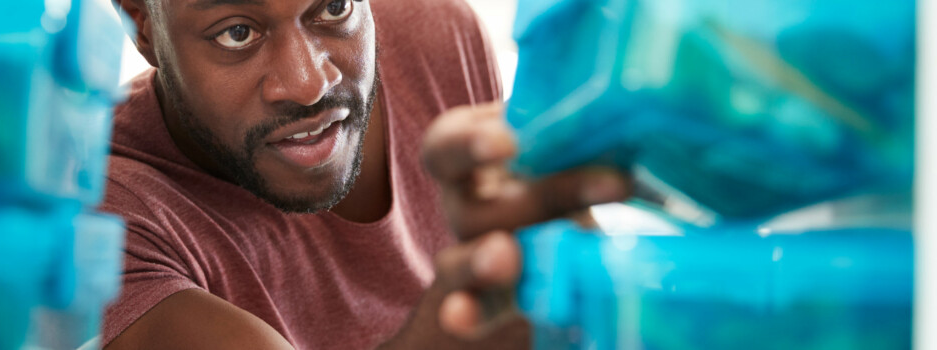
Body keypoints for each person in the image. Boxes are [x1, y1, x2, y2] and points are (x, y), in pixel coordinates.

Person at [102, 0, 630, 348]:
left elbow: (573, 259)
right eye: (237, 33)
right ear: (142, 25)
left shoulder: (434, 33)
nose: (309, 84)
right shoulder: (106, 214)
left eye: (333, 7)